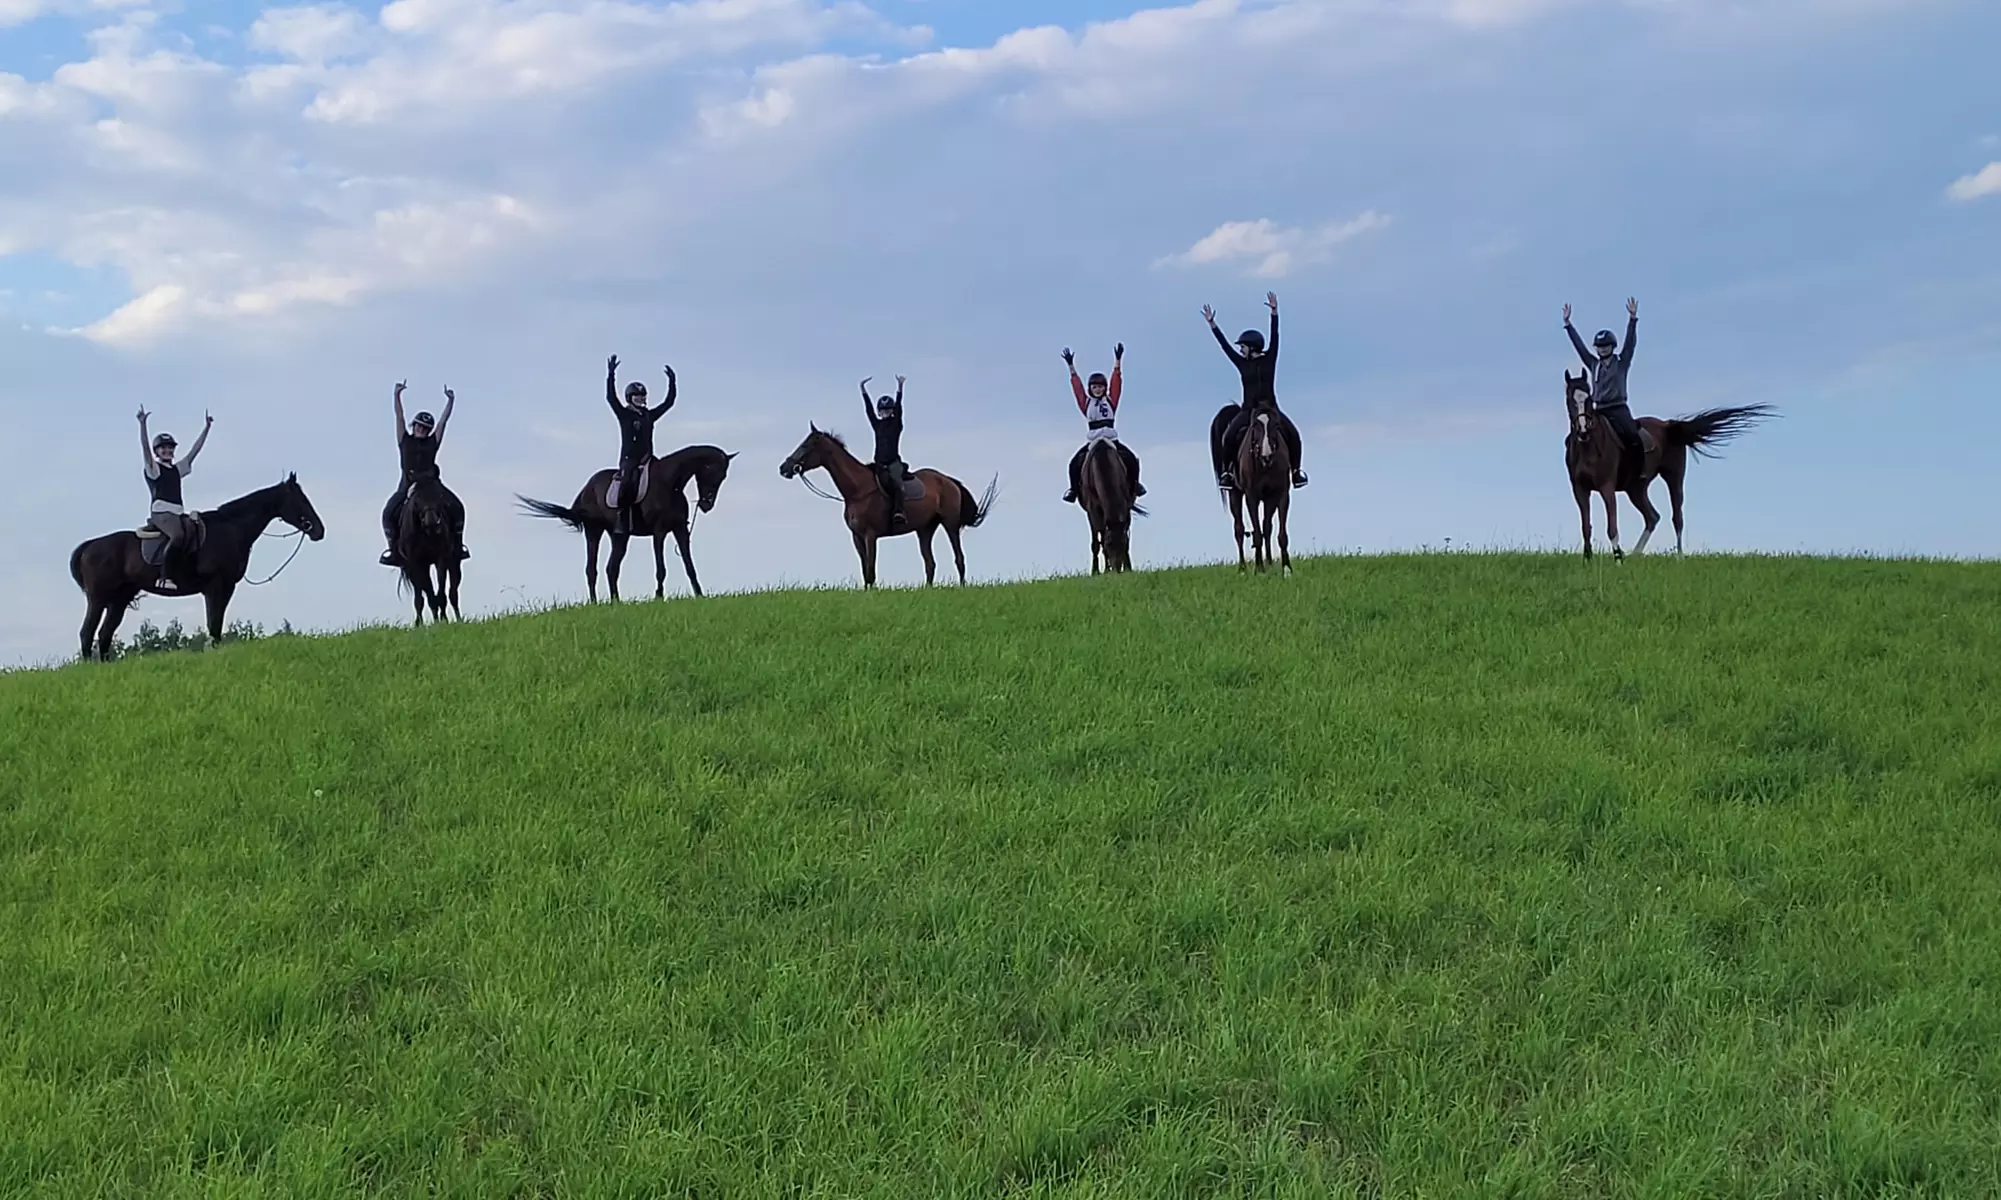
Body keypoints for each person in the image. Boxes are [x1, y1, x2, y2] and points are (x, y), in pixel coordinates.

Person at [1208, 291, 1307, 490]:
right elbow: (1224, 346)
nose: (1240, 350)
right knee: (1228, 437)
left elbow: (1275, 337)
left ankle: (1296, 471)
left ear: (1252, 347)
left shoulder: (1269, 359)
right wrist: (1213, 325)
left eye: (1243, 346)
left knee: (1294, 434)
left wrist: (1274, 313)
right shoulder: (1242, 363)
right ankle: (1227, 473)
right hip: (1248, 411)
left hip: (1271, 409)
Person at [379, 381, 468, 566]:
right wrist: (397, 396)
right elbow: (399, 417)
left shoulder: (432, 442)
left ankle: (458, 546)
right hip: (407, 484)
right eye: (419, 426)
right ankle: (393, 551)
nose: (422, 430)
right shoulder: (404, 440)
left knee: (458, 507)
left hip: (431, 485)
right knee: (388, 513)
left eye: (425, 428)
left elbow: (443, 422)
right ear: (414, 427)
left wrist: (450, 402)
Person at [1563, 298, 1643, 487]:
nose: (1602, 349)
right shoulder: (1594, 364)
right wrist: (1568, 325)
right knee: (1574, 437)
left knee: (1633, 435)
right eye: (1600, 346)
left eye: (1606, 346)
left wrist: (1632, 320)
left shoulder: (1621, 362)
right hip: (1599, 409)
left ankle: (1639, 470)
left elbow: (1630, 345)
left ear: (1612, 347)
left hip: (1618, 408)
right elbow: (1580, 348)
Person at [1060, 343, 1145, 504]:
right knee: (1073, 464)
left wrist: (1117, 361)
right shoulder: (1086, 403)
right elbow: (1077, 388)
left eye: (1100, 387)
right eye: (1094, 387)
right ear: (1090, 389)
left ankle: (1135, 485)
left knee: (1132, 459)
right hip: (1093, 441)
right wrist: (1071, 367)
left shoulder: (1110, 401)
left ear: (1104, 388)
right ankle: (1074, 490)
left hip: (1111, 440)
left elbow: (1116, 383)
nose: (1097, 390)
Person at [138, 407, 212, 588]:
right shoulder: (154, 469)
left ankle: (187, 570)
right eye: (163, 448)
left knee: (195, 530)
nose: (167, 451)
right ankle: (164, 577)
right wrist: (142, 424)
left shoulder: (177, 469)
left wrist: (207, 428)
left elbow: (195, 451)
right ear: (157, 451)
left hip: (178, 513)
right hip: (162, 513)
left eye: (170, 448)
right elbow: (146, 451)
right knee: (178, 535)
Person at [605, 354, 677, 535]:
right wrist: (611, 375)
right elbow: (611, 398)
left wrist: (672, 383)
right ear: (630, 398)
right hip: (630, 459)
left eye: (642, 396)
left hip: (647, 458)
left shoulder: (648, 416)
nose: (640, 399)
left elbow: (668, 403)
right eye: (636, 396)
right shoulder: (624, 414)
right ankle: (622, 518)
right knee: (627, 482)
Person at [862, 375, 910, 529]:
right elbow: (868, 411)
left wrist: (900, 389)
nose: (885, 413)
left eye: (888, 410)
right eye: (882, 411)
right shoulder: (877, 425)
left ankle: (899, 511)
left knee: (896, 483)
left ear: (892, 411)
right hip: (879, 463)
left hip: (893, 463)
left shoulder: (896, 424)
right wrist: (863, 391)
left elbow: (900, 410)